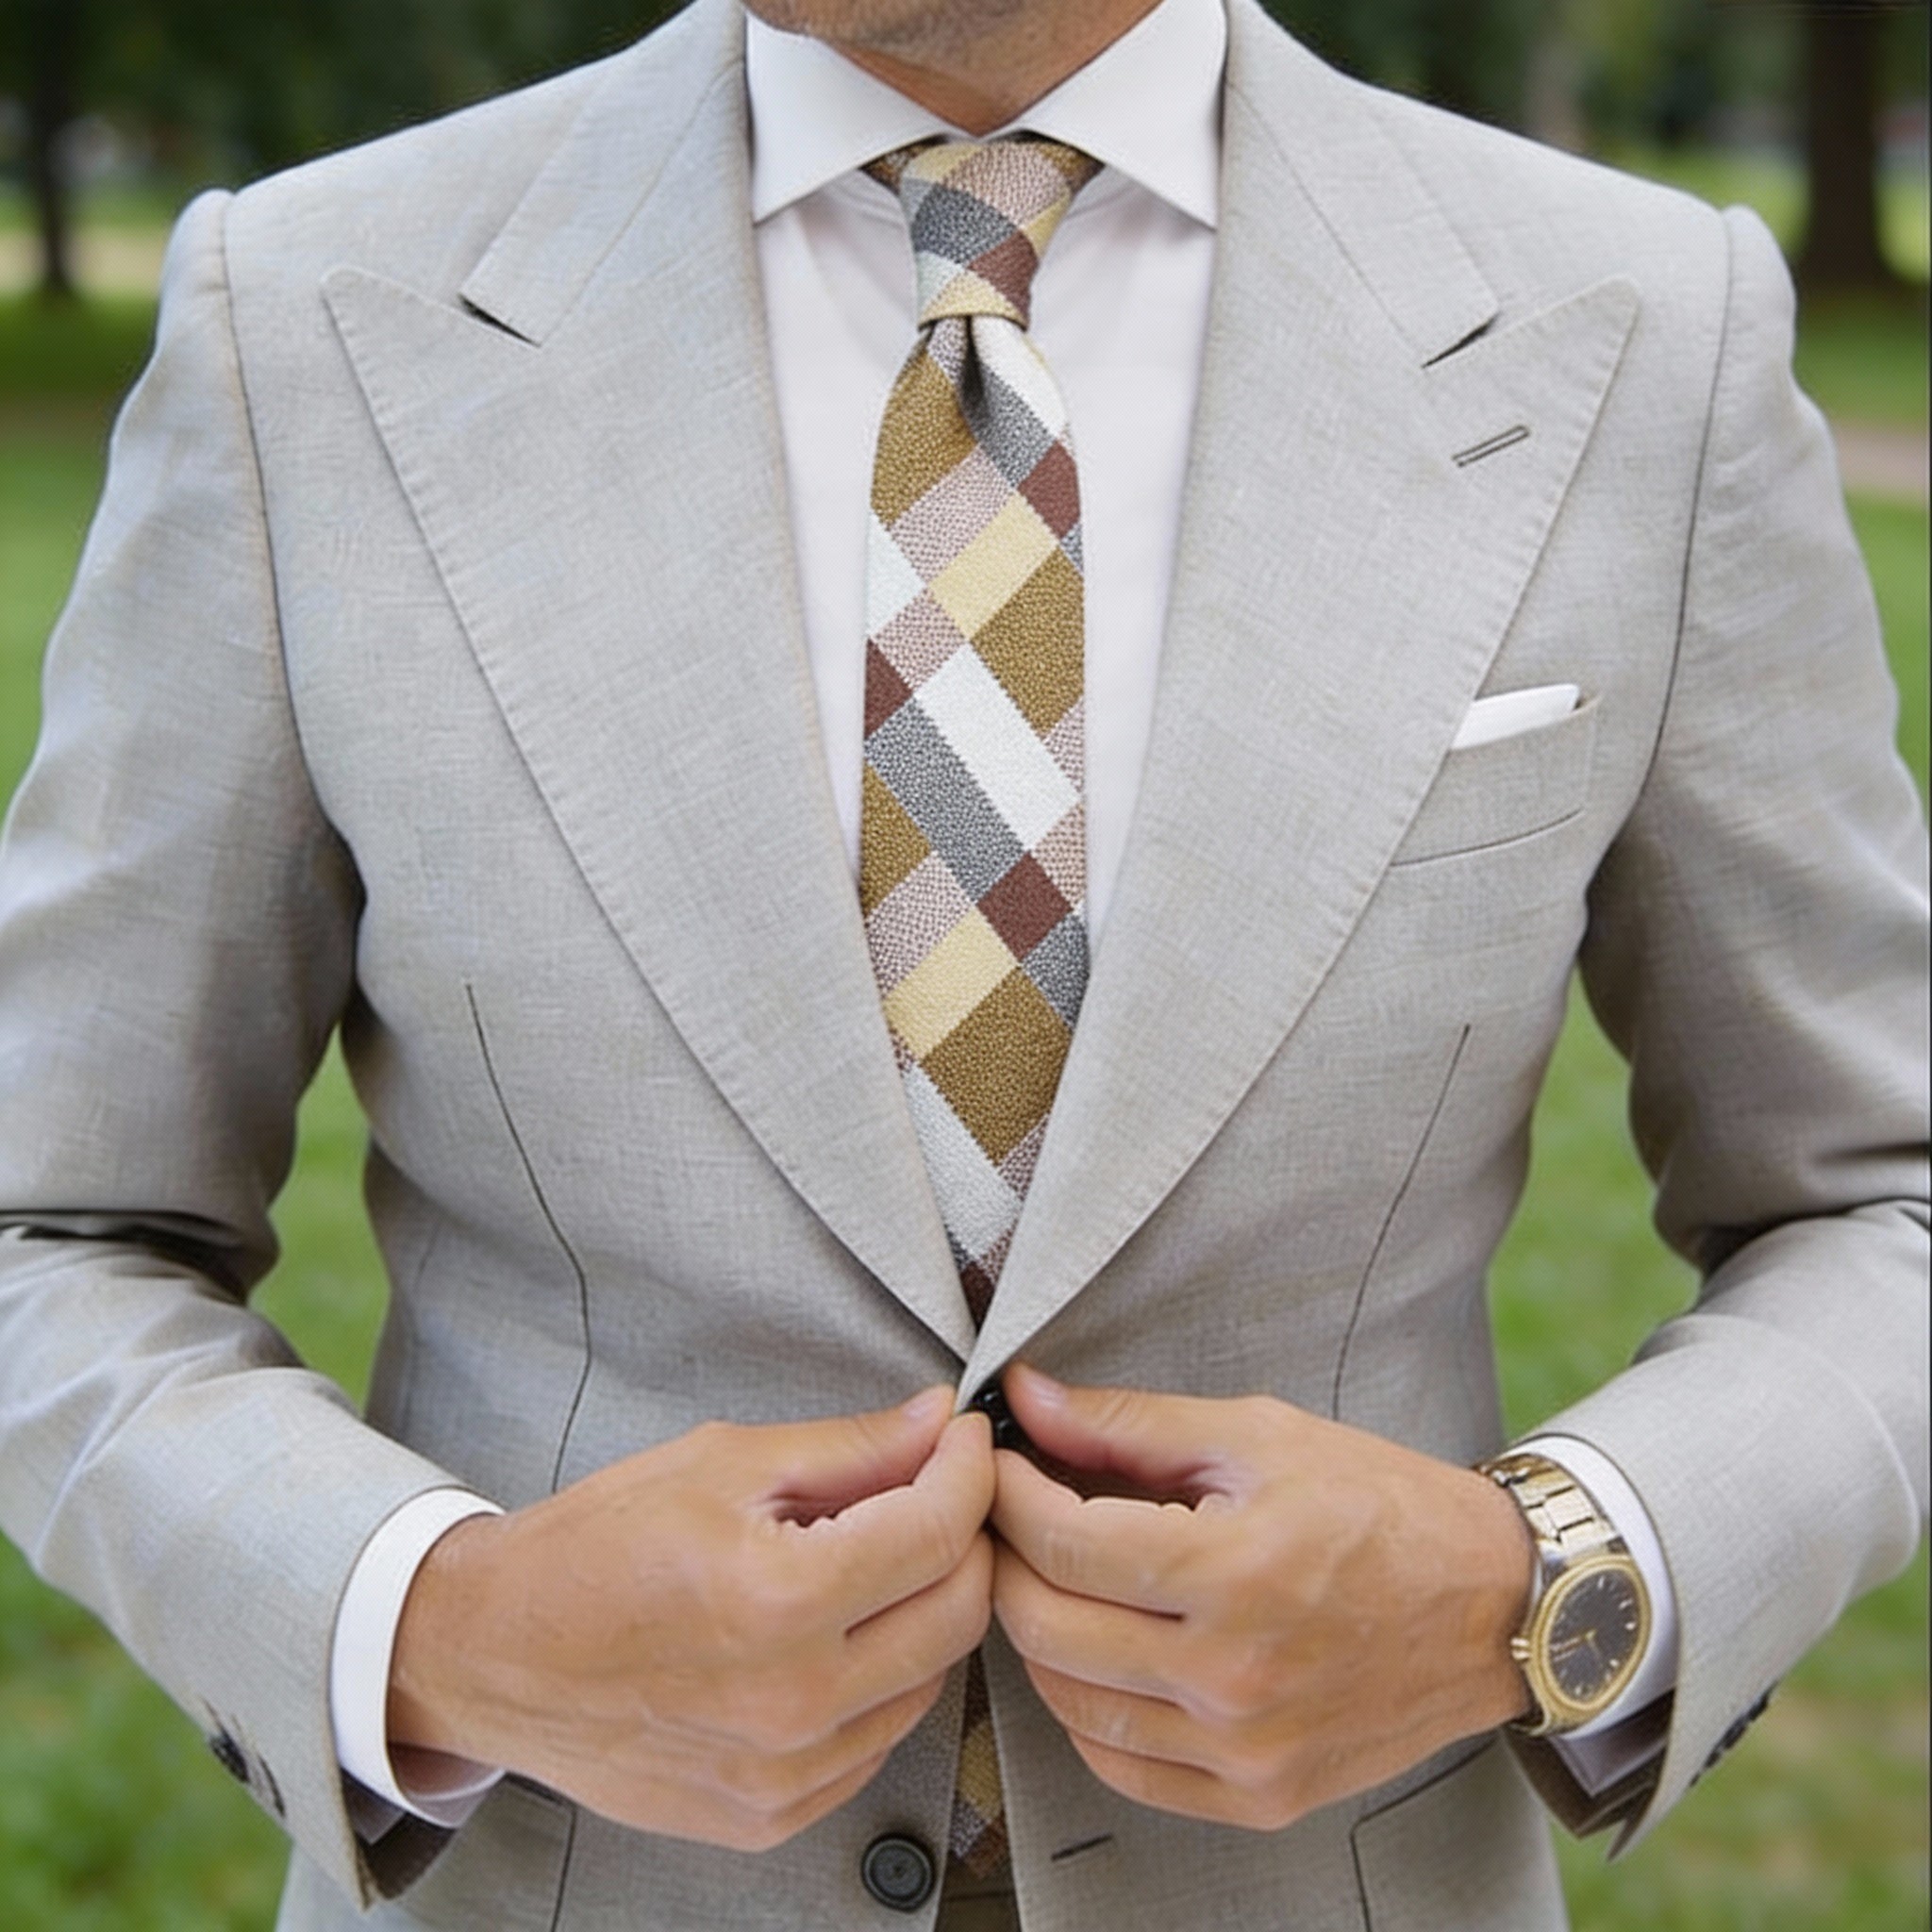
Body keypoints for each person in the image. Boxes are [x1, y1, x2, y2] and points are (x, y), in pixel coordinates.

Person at [0, 0, 1924, 1925]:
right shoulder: (310, 313)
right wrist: (440, 1626)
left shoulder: (1642, 331)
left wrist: (1546, 1583)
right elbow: (53, 1226)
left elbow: (1878, 1199)